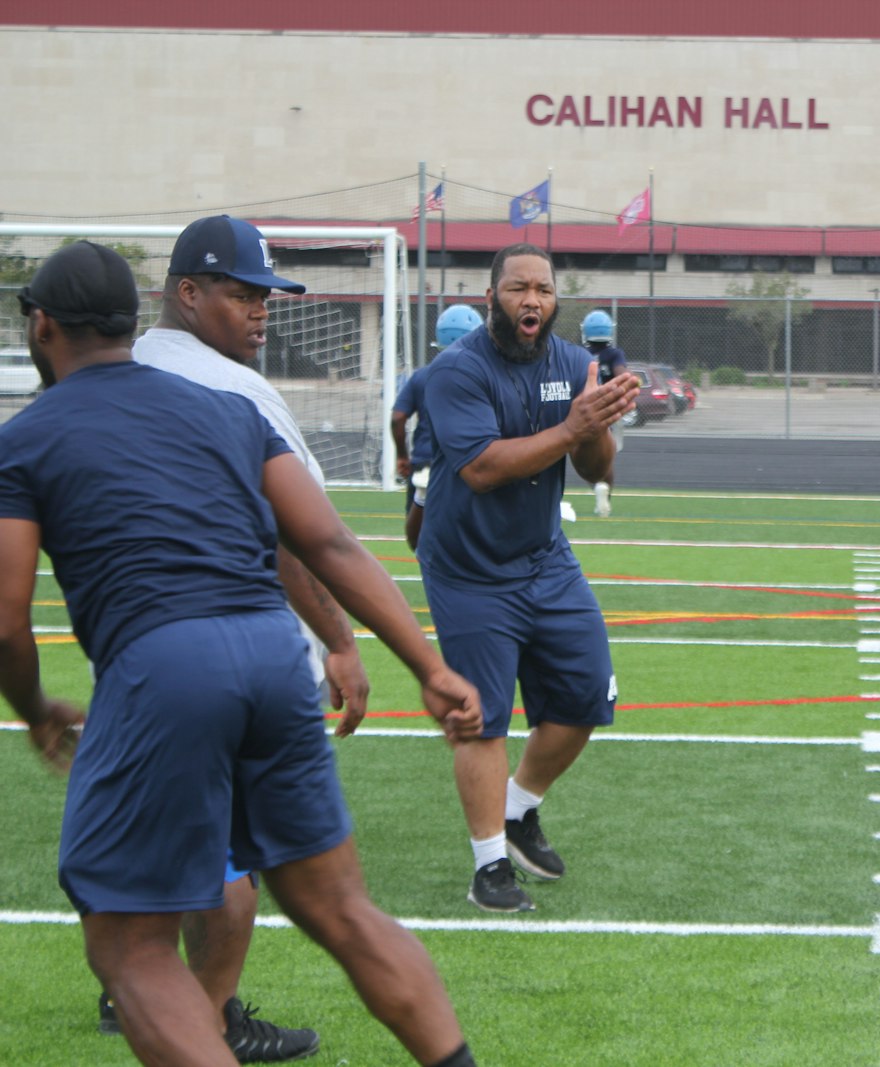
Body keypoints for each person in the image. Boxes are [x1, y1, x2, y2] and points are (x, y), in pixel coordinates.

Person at [0, 241, 483, 1066]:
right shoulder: (227, 406)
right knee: (341, 908)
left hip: (163, 667)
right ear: (132, 319)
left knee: (128, 947)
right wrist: (428, 666)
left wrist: (36, 706)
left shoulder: (26, 437)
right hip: (272, 654)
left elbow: (7, 617)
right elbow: (327, 541)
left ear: (42, 326)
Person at [111, 213, 375, 1060]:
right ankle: (211, 1017)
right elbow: (295, 535)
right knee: (237, 855)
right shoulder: (239, 394)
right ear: (186, 293)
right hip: (232, 648)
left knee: (162, 830)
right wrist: (340, 638)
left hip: (136, 648)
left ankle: (135, 986)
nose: (261, 311)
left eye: (266, 295)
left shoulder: (116, 372)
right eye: (242, 293)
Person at [420, 243, 639, 912]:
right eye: (518, 288)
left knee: (586, 694)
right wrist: (573, 423)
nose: (532, 300)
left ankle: (517, 811)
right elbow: (483, 468)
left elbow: (599, 471)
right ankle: (489, 867)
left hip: (546, 558)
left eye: (542, 289)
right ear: (493, 297)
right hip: (469, 568)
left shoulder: (577, 364)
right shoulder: (456, 372)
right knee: (482, 716)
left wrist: (596, 423)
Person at [393, 304, 483, 550]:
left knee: (420, 539)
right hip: (464, 464)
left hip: (424, 463)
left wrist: (402, 455)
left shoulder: (422, 376)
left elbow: (398, 417)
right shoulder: (483, 377)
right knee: (469, 537)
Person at [581, 309, 627, 517]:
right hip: (609, 412)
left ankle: (596, 487)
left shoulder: (581, 354)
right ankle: (605, 494)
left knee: (588, 458)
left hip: (587, 411)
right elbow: (622, 377)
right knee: (607, 458)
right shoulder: (615, 354)